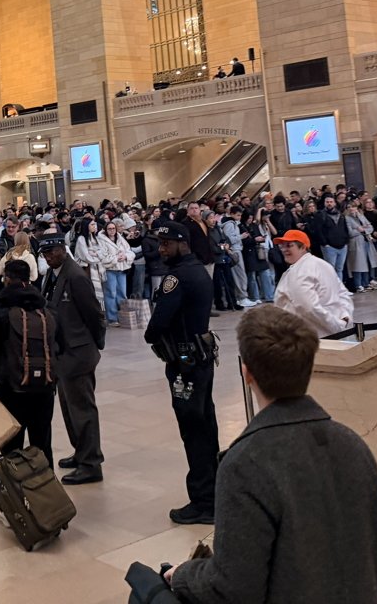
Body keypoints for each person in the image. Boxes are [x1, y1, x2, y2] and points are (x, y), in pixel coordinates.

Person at [152, 306, 377, 603]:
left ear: (246, 373)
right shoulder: (354, 445)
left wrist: (185, 574)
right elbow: (375, 557)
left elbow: (232, 587)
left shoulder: (244, 464)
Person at [144, 224, 219, 526]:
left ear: (182, 244)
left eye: (166, 244)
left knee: (193, 430)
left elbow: (158, 324)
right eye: (160, 244)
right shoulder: (199, 270)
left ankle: (203, 501)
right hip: (201, 357)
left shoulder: (176, 278)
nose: (161, 250)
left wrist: (152, 334)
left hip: (185, 361)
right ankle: (213, 494)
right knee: (206, 425)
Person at [0, 258, 59, 465]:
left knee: (12, 449)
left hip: (11, 386)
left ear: (7, 279)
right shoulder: (44, 305)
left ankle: (16, 494)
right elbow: (59, 343)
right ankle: (46, 492)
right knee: (42, 444)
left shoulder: (0, 306)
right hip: (44, 386)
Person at [40, 231, 105, 484]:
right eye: (45, 253)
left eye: (52, 252)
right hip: (63, 354)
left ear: (62, 249)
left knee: (83, 409)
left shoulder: (76, 276)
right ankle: (81, 452)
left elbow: (94, 313)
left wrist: (96, 343)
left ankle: (91, 464)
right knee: (69, 409)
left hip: (78, 352)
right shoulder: (53, 275)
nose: (48, 257)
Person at [272, 230, 354, 333]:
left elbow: (307, 307)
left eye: (289, 245)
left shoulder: (300, 271)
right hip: (329, 332)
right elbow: (343, 294)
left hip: (311, 337)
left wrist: (336, 326)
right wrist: (345, 318)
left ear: (302, 247)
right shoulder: (323, 264)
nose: (284, 249)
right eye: (282, 246)